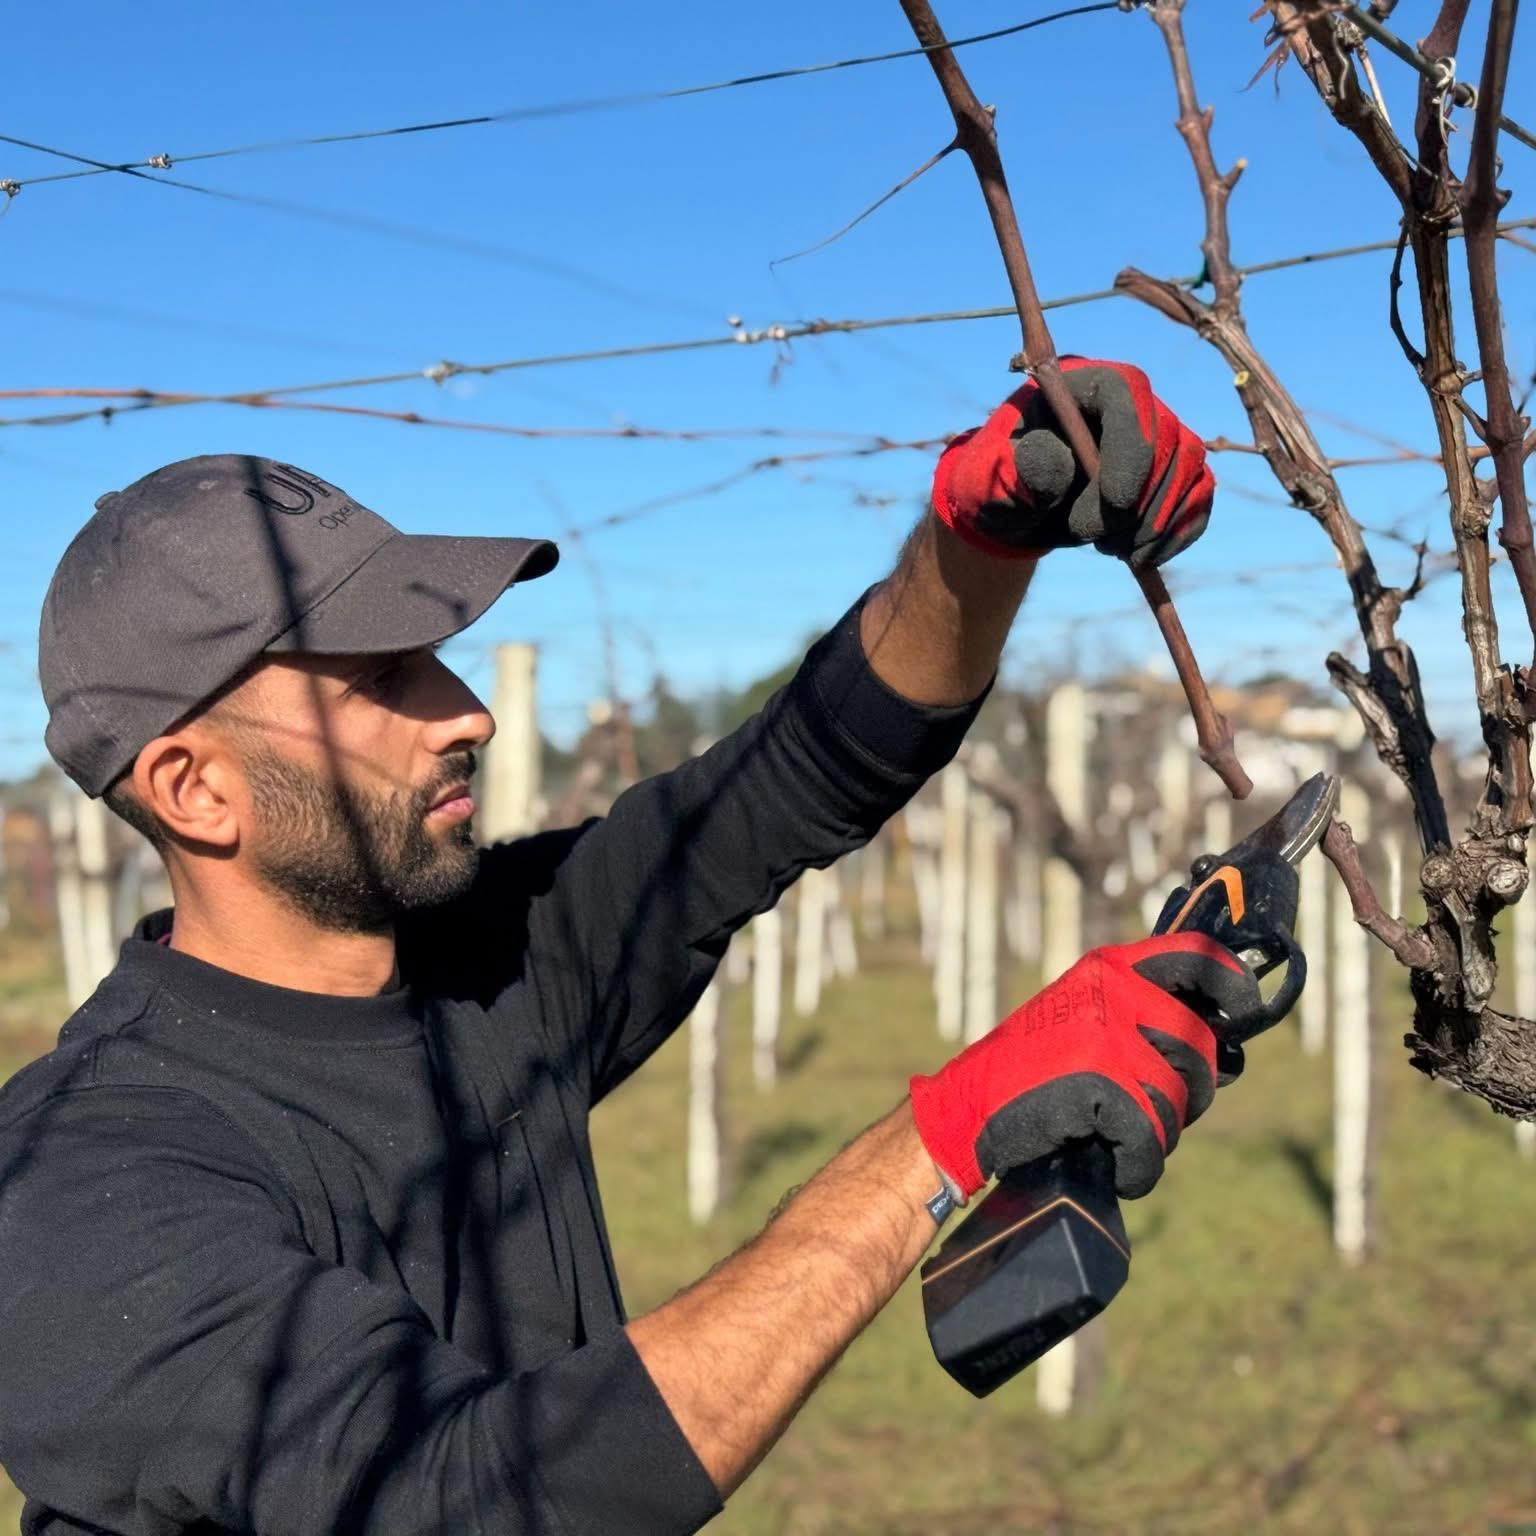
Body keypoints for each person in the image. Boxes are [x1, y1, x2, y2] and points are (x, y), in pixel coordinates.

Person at [0, 360, 1258, 1535]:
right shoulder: (81, 1182)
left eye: (436, 657)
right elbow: (475, 1497)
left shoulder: (493, 958)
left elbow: (805, 772)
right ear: (195, 789)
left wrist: (978, 538)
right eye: (380, 679)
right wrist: (939, 1137)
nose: (469, 713)